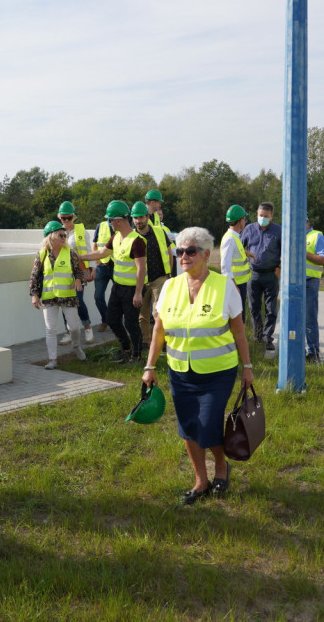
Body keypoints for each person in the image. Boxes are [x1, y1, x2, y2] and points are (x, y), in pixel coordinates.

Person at [141, 227, 253, 505]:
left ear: (205, 254)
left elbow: (239, 331)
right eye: (179, 251)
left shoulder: (225, 286)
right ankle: (201, 480)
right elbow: (158, 330)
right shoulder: (169, 286)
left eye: (190, 251)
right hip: (180, 371)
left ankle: (222, 466)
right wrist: (149, 366)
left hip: (218, 373)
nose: (184, 256)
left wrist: (247, 367)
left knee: (207, 423)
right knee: (188, 427)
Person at [80, 200, 146, 363]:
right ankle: (126, 349)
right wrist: (79, 257)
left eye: (110, 220)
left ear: (118, 220)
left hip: (132, 290)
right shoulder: (116, 237)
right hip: (118, 287)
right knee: (112, 319)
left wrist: (138, 293)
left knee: (131, 324)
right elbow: (102, 252)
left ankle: (136, 356)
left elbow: (141, 269)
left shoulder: (136, 241)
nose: (109, 223)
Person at [30, 220, 88, 369]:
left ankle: (76, 346)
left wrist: (78, 280)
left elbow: (79, 271)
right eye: (61, 235)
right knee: (50, 329)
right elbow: (35, 276)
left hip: (68, 296)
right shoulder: (42, 255)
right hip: (49, 297)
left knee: (74, 327)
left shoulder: (71, 253)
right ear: (51, 237)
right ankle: (53, 359)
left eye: (65, 235)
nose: (64, 238)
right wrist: (34, 295)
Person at [240, 202, 282, 353]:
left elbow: (284, 252)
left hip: (271, 274)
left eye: (265, 216)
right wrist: (247, 255)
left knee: (271, 309)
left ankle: (267, 337)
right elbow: (238, 247)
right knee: (254, 307)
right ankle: (258, 336)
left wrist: (279, 270)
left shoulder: (278, 231)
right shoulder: (249, 229)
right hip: (253, 274)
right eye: (260, 215)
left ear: (271, 216)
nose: (262, 218)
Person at [131, 201, 173, 349]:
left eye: (141, 217)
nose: (138, 221)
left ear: (147, 217)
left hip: (159, 279)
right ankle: (146, 342)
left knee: (158, 312)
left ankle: (162, 342)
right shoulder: (130, 237)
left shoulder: (159, 232)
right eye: (135, 218)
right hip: (140, 282)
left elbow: (169, 253)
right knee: (142, 316)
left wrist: (169, 276)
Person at [55, 201, 95, 346]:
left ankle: (88, 328)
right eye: (63, 218)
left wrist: (92, 268)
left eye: (68, 218)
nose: (66, 221)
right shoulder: (57, 232)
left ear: (73, 217)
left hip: (79, 271)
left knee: (78, 301)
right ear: (59, 218)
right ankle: (69, 333)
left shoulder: (81, 232)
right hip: (63, 273)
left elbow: (88, 250)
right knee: (65, 302)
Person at [305, 218, 324, 364]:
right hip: (293, 284)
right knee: (294, 319)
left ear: (307, 222)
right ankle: (297, 351)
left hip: (309, 282)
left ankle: (313, 353)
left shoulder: (317, 236)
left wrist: (304, 253)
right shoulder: (292, 235)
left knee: (309, 320)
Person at [220, 205, 251, 324]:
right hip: (236, 284)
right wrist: (233, 286)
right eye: (244, 219)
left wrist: (247, 253)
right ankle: (237, 342)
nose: (245, 222)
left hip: (238, 283)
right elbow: (225, 266)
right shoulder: (230, 239)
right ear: (240, 221)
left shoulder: (234, 237)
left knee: (239, 317)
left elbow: (235, 255)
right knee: (237, 319)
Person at [93, 217, 114, 332]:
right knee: (98, 296)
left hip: (117, 266)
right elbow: (95, 243)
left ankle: (117, 321)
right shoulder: (100, 225)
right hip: (102, 266)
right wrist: (97, 261)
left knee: (120, 297)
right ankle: (106, 320)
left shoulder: (122, 226)